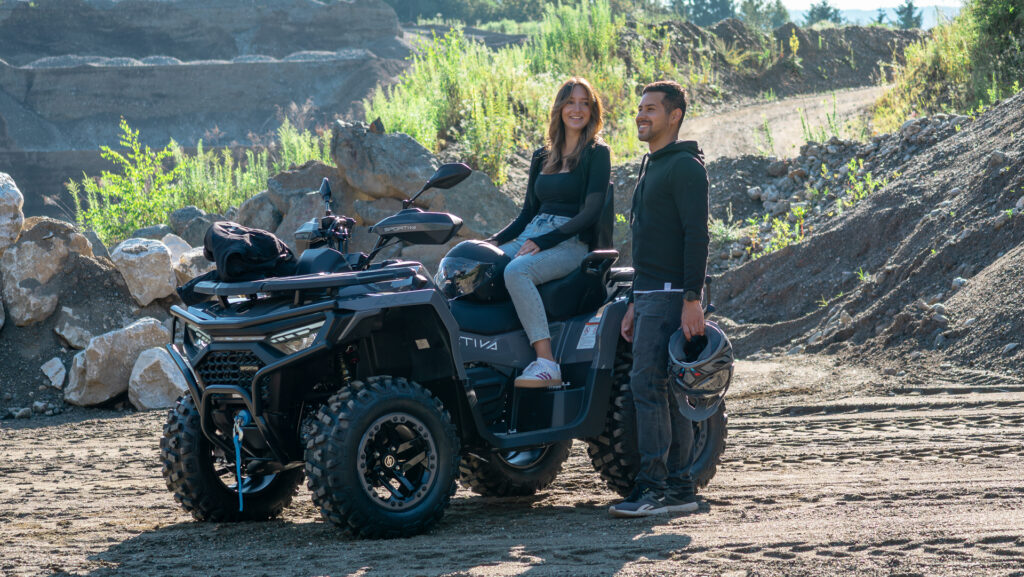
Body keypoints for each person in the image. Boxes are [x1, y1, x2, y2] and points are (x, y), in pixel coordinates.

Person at [609, 80, 710, 518]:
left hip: (671, 295)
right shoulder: (651, 166)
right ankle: (681, 490)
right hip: (649, 293)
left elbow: (697, 236)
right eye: (640, 108)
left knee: (647, 386)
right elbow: (646, 244)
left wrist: (692, 298)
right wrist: (634, 299)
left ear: (675, 115)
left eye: (651, 109)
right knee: (666, 392)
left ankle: (652, 490)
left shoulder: (685, 167)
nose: (641, 115)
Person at [487, 77, 611, 388]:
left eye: (584, 103)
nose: (577, 109)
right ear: (560, 108)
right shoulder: (542, 156)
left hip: (570, 241)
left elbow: (591, 212)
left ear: (592, 110)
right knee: (478, 266)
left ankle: (546, 363)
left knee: (517, 272)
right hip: (533, 232)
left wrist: (544, 242)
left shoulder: (597, 153)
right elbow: (527, 213)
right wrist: (491, 242)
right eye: (571, 102)